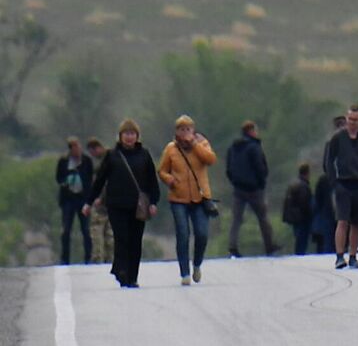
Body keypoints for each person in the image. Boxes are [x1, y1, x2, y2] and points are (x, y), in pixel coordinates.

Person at [83, 119, 160, 288]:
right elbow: (100, 180)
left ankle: (132, 276)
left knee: (135, 241)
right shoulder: (112, 156)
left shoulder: (144, 155)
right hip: (117, 205)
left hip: (138, 207)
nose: (129, 137)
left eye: (132, 134)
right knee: (122, 239)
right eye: (126, 134)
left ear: (137, 136)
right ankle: (122, 272)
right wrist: (89, 202)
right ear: (120, 136)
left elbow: (152, 181)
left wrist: (153, 202)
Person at [158, 115, 219, 286]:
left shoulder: (201, 143)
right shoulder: (171, 148)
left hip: (200, 198)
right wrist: (168, 179)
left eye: (188, 129)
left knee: (202, 233)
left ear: (193, 130)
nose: (185, 133)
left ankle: (197, 264)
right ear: (176, 131)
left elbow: (211, 159)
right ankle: (184, 272)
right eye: (181, 129)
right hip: (178, 198)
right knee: (183, 234)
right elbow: (162, 170)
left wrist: (194, 144)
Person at [323, 105, 358, 269]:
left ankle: (353, 255)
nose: (352, 123)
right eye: (350, 119)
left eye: (356, 120)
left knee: (357, 223)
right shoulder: (337, 138)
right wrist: (334, 182)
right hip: (343, 184)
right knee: (342, 220)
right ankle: (340, 256)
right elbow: (329, 161)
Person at [224, 120, 277, 258]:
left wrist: (234, 181)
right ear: (252, 131)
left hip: (238, 189)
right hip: (254, 189)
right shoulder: (254, 147)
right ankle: (269, 245)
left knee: (236, 219)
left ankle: (232, 247)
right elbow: (260, 167)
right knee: (263, 217)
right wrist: (261, 182)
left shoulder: (233, 148)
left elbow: (228, 168)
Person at [55, 136, 94, 265]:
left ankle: (89, 257)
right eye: (74, 147)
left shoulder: (86, 161)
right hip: (68, 199)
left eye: (78, 147)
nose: (77, 150)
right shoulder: (64, 161)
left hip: (82, 199)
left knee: (86, 230)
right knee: (66, 230)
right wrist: (67, 180)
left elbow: (90, 178)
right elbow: (59, 178)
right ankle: (65, 258)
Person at [85, 137, 112, 262]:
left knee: (97, 231)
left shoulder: (105, 161)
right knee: (109, 234)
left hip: (104, 202)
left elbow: (106, 182)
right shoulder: (112, 157)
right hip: (112, 202)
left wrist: (100, 198)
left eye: (92, 152)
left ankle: (98, 259)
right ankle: (110, 259)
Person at [282, 163, 315, 255]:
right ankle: (300, 254)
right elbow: (304, 203)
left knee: (298, 236)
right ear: (307, 173)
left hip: (294, 217)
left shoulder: (294, 184)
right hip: (302, 217)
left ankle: (298, 253)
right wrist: (310, 214)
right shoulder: (304, 186)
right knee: (302, 239)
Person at [311, 169, 336, 260]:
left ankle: (328, 256)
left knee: (328, 238)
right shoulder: (341, 178)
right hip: (340, 213)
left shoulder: (323, 179)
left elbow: (318, 198)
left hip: (326, 212)